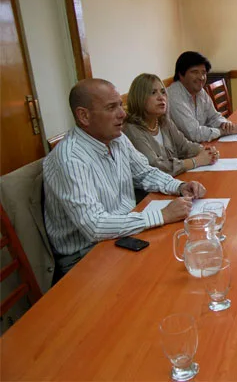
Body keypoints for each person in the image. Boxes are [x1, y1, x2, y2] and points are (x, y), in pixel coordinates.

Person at [44, 78, 206, 278]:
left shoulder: (116, 138)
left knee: (191, 252)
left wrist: (179, 186)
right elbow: (95, 226)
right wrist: (162, 216)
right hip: (86, 255)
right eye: (112, 107)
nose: (123, 114)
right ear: (83, 116)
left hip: (124, 232)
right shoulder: (70, 159)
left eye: (121, 105)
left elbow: (144, 172)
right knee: (167, 274)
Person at [123, 73, 219, 176]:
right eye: (153, 92)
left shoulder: (164, 122)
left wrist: (205, 151)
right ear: (139, 98)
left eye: (163, 92)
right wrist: (197, 161)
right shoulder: (132, 130)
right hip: (152, 190)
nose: (161, 97)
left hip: (176, 181)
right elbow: (156, 166)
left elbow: (184, 146)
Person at [167, 51, 237, 142]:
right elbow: (194, 134)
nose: (201, 77)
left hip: (202, 145)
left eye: (203, 73)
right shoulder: (173, 96)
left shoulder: (200, 92)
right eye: (195, 72)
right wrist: (223, 131)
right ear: (181, 74)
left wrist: (225, 124)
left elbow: (213, 117)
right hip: (183, 153)